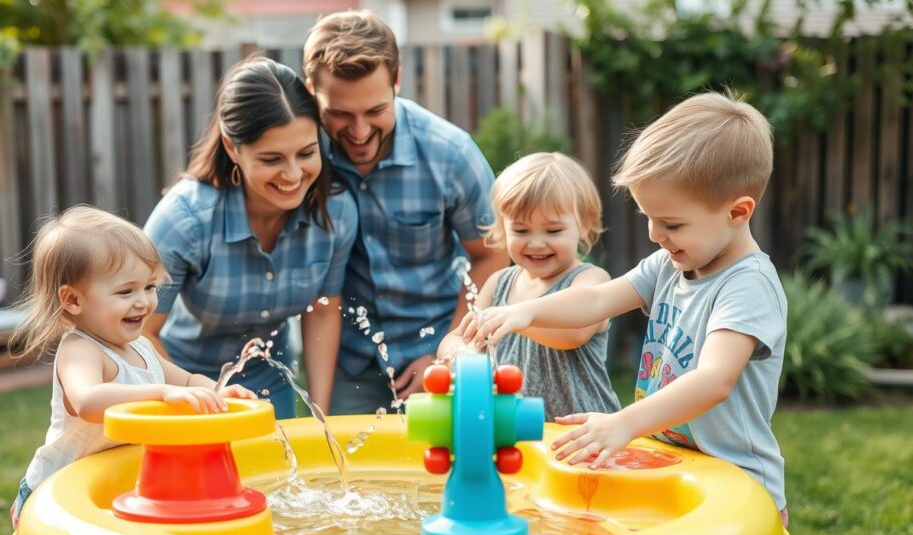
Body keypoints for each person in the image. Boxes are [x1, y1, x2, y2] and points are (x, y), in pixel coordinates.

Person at [460, 92, 789, 526]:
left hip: (738, 486)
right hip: (675, 467)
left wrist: (623, 423)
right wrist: (528, 313)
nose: (655, 234)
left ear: (737, 211)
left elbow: (714, 381)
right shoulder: (670, 265)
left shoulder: (746, 285)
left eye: (671, 223)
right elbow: (597, 299)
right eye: (648, 218)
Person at [302, 10, 509, 414]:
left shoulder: (450, 154)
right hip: (348, 362)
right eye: (341, 113)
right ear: (312, 91)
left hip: (437, 349)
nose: (359, 132)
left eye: (375, 111)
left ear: (396, 82)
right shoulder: (302, 159)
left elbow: (492, 253)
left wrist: (447, 351)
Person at [8, 205, 255, 529]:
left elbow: (186, 379)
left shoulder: (141, 346)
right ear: (72, 300)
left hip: (111, 484)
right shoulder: (81, 349)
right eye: (126, 291)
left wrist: (220, 391)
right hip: (56, 493)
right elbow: (88, 401)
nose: (144, 301)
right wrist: (161, 392)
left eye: (150, 287)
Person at [143, 56, 358, 419]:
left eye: (306, 153)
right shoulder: (185, 220)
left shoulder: (335, 213)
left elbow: (323, 310)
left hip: (271, 383)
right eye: (272, 159)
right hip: (180, 384)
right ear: (231, 147)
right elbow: (142, 334)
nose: (293, 175)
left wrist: (321, 416)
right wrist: (197, 395)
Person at [437, 152, 619, 420]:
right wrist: (465, 356)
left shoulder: (590, 281)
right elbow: (455, 338)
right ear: (503, 228)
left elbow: (574, 332)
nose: (536, 243)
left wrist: (517, 318)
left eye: (553, 231)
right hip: (514, 435)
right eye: (521, 231)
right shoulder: (499, 283)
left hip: (583, 434)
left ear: (583, 226)